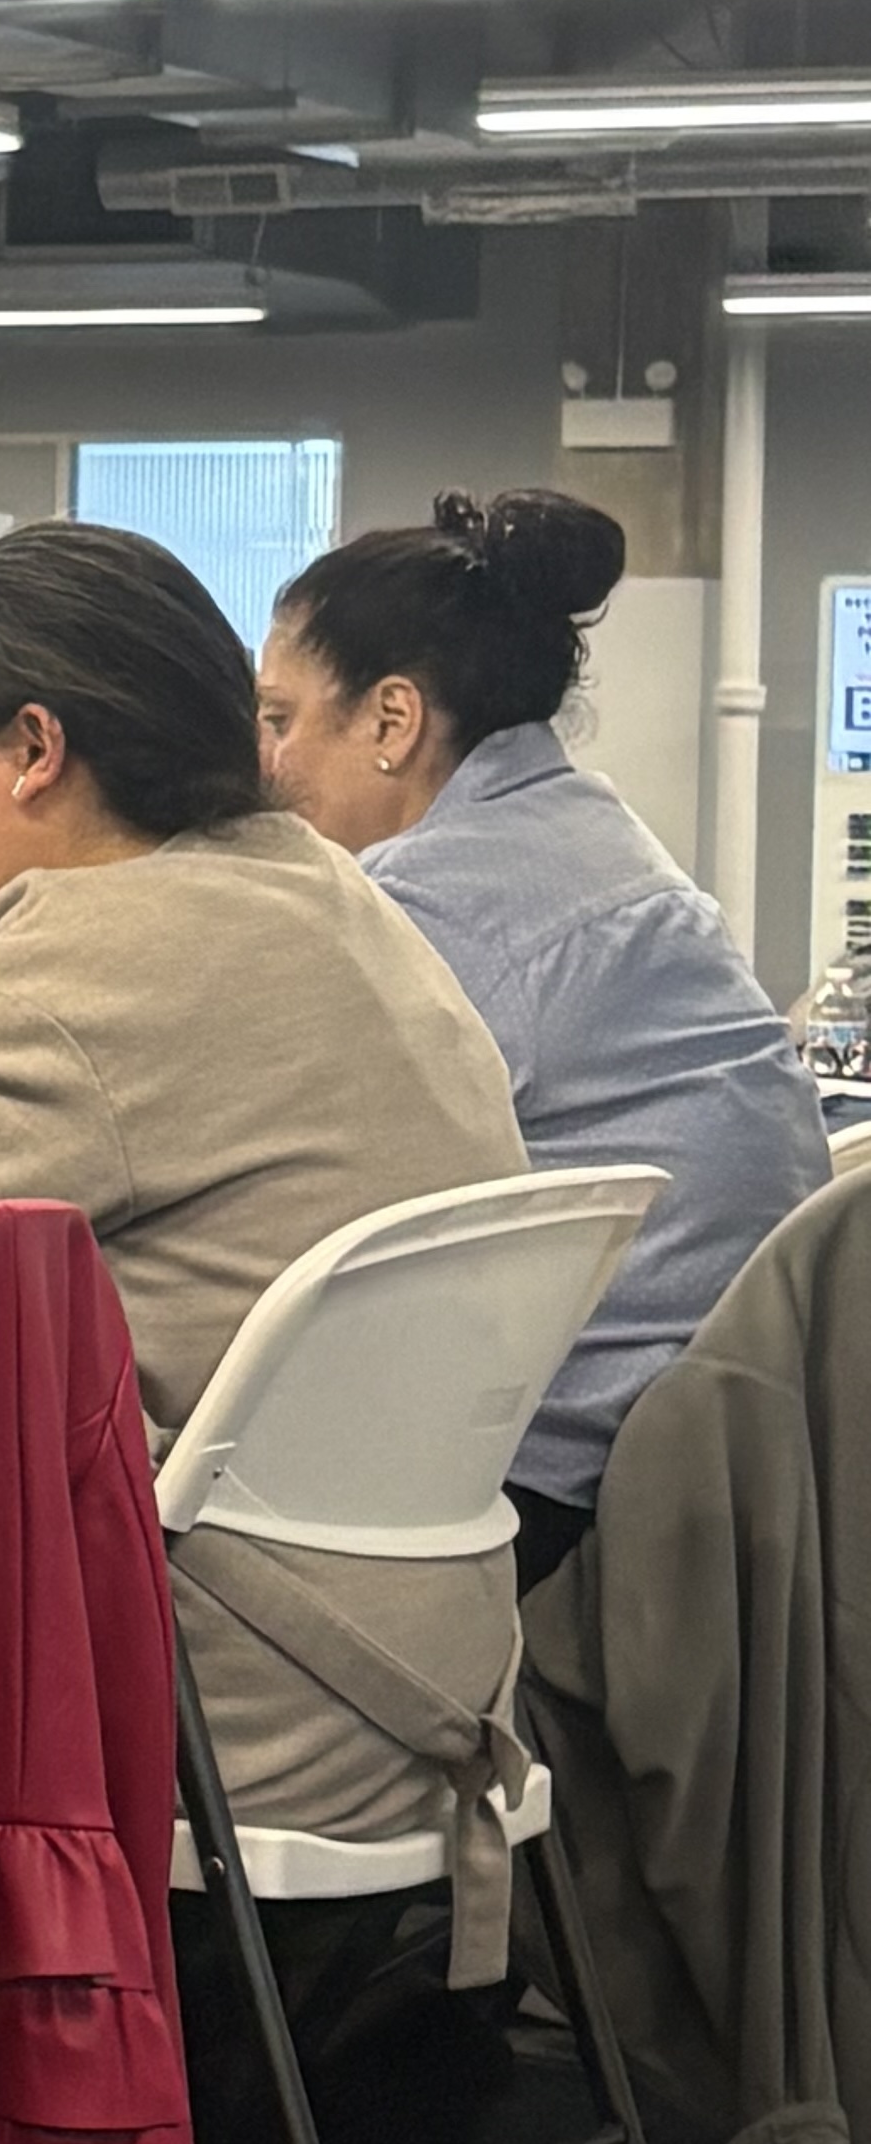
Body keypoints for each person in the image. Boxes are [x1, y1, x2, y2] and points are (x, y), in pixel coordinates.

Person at [0, 521, 536, 1962]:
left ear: (36, 745)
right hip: (426, 1702)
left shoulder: (62, 972)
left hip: (218, 1741)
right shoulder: (332, 898)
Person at [255, 488, 825, 1579]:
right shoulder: (586, 828)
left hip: (574, 1494)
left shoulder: (434, 908)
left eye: (281, 719)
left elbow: (288, 1182)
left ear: (391, 721)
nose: (263, 761)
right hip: (729, 1463)